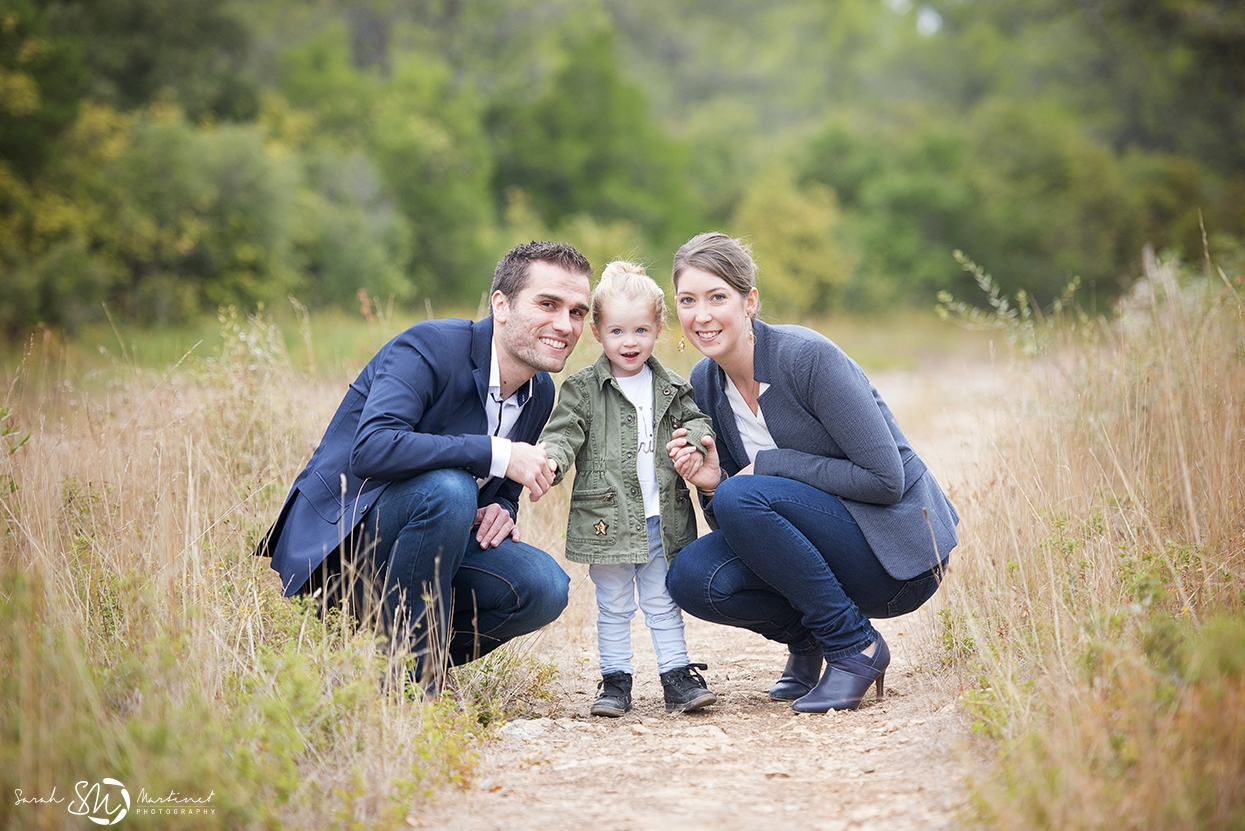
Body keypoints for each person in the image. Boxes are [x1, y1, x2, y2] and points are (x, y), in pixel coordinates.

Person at [255, 241, 593, 693]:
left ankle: (384, 660)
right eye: (548, 304)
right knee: (449, 489)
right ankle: (412, 685)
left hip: (432, 552)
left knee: (544, 586)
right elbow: (373, 448)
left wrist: (505, 509)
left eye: (577, 312)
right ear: (502, 305)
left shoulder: (541, 392)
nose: (564, 324)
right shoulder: (429, 346)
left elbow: (505, 480)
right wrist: (495, 453)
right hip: (345, 546)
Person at [664, 232, 960, 713]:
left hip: (895, 558)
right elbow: (750, 526)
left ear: (749, 301)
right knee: (693, 577)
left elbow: (886, 480)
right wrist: (716, 484)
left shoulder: (806, 356)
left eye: (718, 297)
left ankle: (855, 647)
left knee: (745, 495)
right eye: (688, 300)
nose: (702, 315)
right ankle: (809, 641)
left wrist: (765, 466)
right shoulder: (705, 384)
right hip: (819, 558)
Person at [537, 261, 719, 716]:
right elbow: (564, 432)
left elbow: (697, 421)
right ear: (597, 331)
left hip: (662, 517)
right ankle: (615, 681)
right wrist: (550, 459)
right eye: (617, 331)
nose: (630, 342)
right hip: (606, 521)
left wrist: (697, 440)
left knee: (662, 600)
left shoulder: (674, 388)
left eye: (640, 330)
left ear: (658, 328)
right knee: (614, 604)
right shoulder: (582, 389)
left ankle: (677, 677)